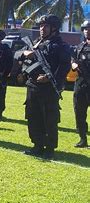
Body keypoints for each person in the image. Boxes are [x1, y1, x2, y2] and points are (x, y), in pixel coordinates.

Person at [17, 15, 71, 159]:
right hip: (32, 86)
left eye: (46, 26)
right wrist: (25, 54)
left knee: (49, 118)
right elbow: (17, 55)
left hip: (48, 89)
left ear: (54, 28)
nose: (42, 29)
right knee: (33, 116)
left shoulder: (60, 46)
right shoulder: (35, 43)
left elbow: (64, 66)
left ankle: (49, 148)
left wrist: (48, 77)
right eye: (41, 26)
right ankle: (37, 145)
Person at [70, 19, 90, 148]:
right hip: (81, 83)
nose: (87, 31)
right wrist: (73, 64)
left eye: (89, 29)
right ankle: (83, 138)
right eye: (85, 29)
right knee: (79, 111)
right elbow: (73, 59)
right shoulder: (80, 46)